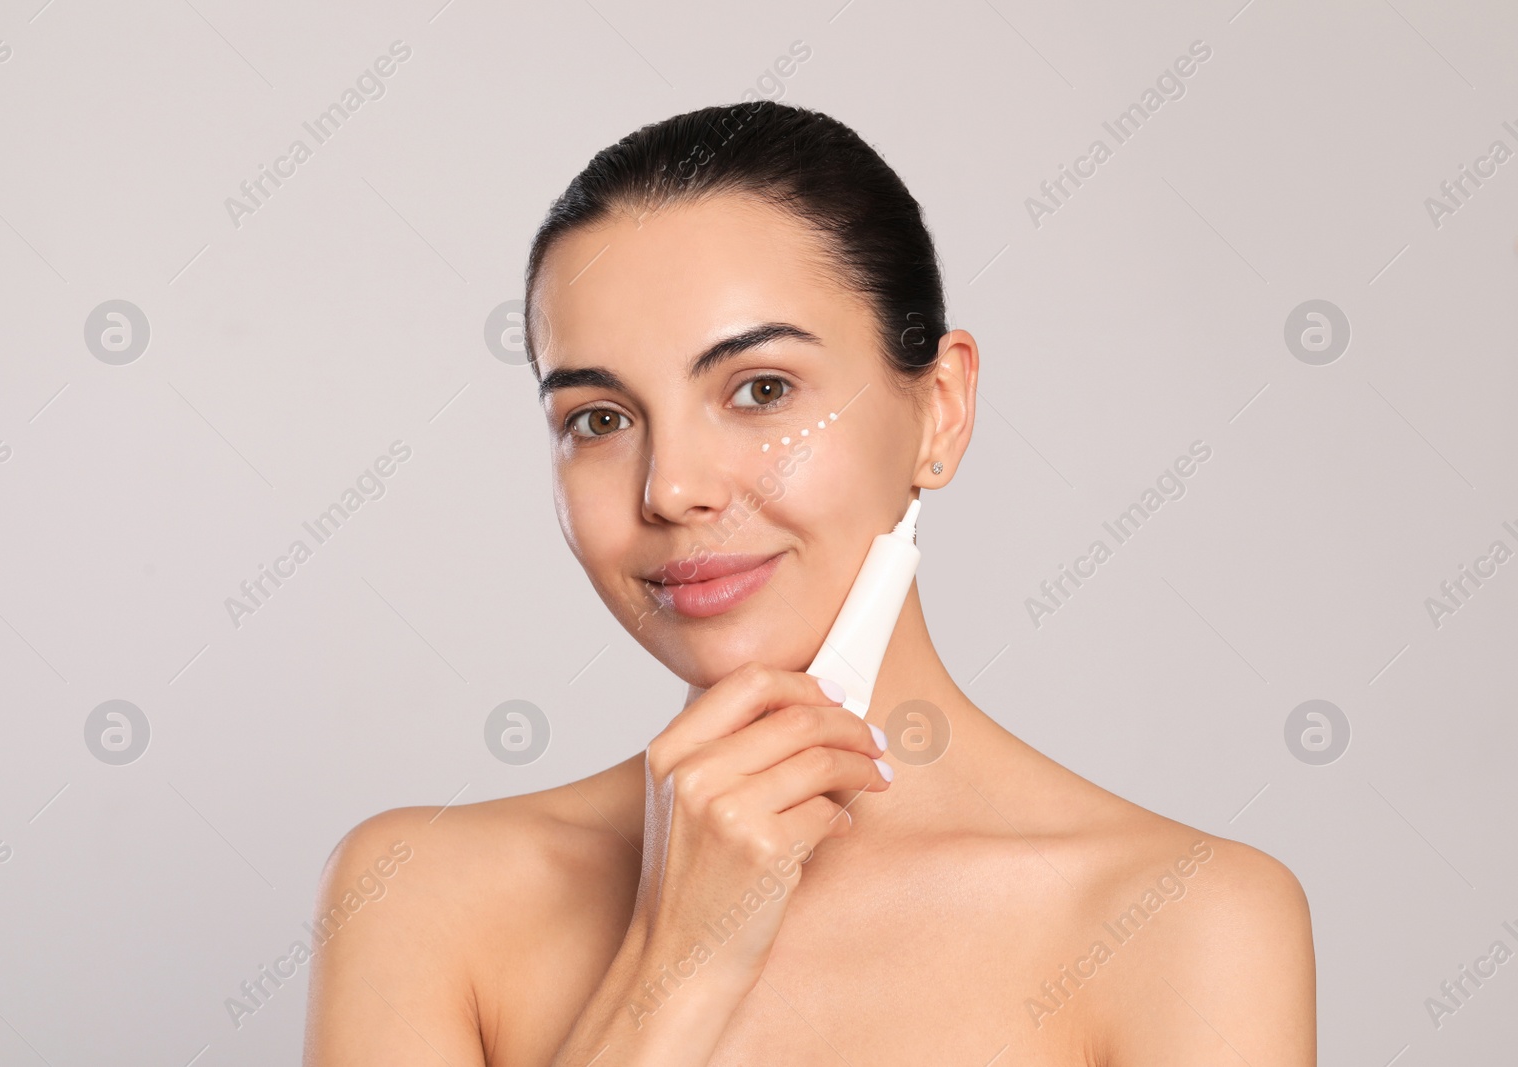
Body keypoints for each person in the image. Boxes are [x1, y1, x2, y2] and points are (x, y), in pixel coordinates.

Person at [302, 100, 1316, 1065]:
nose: (673, 488)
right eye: (598, 418)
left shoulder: (1182, 917)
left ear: (940, 409)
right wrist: (676, 965)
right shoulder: (417, 896)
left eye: (759, 390)